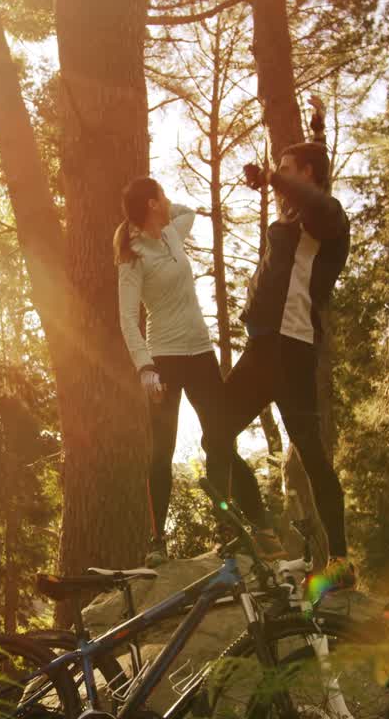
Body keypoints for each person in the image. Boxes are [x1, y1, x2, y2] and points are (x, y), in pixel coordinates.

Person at [226, 98, 355, 585]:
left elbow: (317, 197)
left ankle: (340, 560)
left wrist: (273, 175)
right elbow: (311, 175)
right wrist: (316, 130)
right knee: (216, 433)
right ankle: (259, 532)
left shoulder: (327, 219)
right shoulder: (294, 216)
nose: (278, 177)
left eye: (286, 170)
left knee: (314, 457)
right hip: (262, 349)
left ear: (304, 175)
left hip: (292, 349)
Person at [116, 177, 277, 566]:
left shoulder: (172, 233)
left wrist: (154, 218)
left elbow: (187, 212)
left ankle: (229, 526)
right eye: (163, 195)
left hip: (201, 352)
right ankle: (157, 542)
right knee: (162, 451)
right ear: (153, 203)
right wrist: (145, 368)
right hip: (165, 359)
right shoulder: (134, 255)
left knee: (220, 438)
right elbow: (126, 318)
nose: (169, 200)